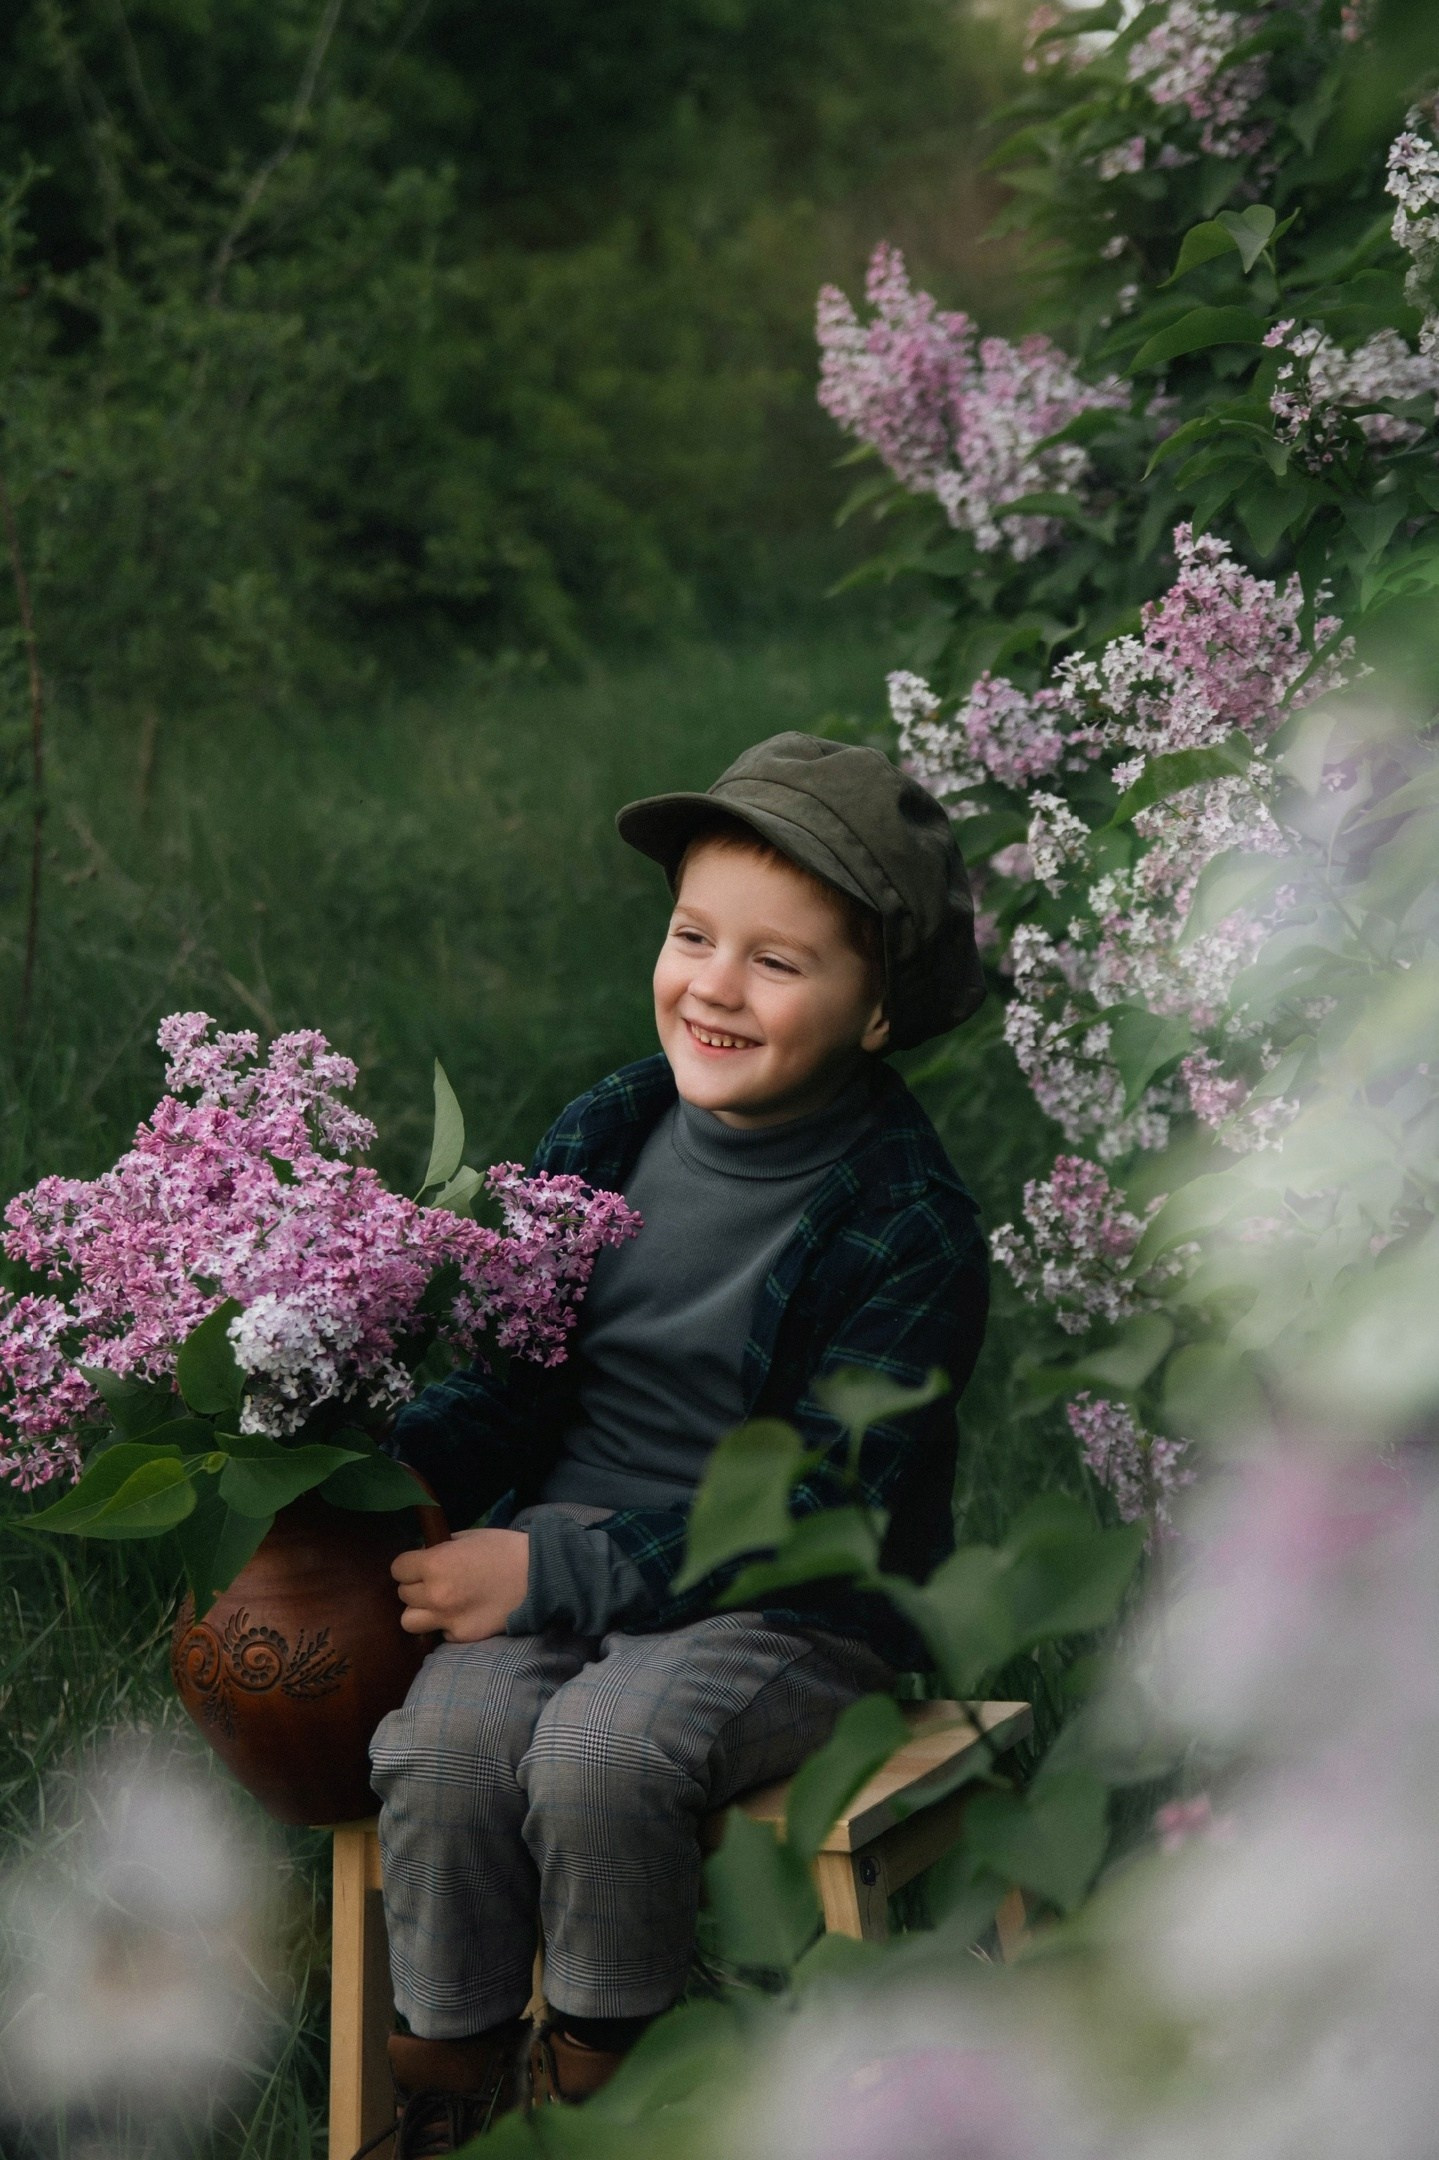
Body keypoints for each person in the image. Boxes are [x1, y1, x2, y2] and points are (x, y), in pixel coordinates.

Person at [367, 731, 989, 2153]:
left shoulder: (908, 1227)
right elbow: (512, 1377)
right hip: (563, 1556)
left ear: (878, 1010)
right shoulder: (609, 1126)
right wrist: (394, 1477)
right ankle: (447, 2095)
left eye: (778, 962)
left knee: (601, 1751)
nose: (713, 983)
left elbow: (827, 1504)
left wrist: (546, 1581)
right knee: (445, 1752)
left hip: (794, 1608)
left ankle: (616, 2091)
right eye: (693, 934)